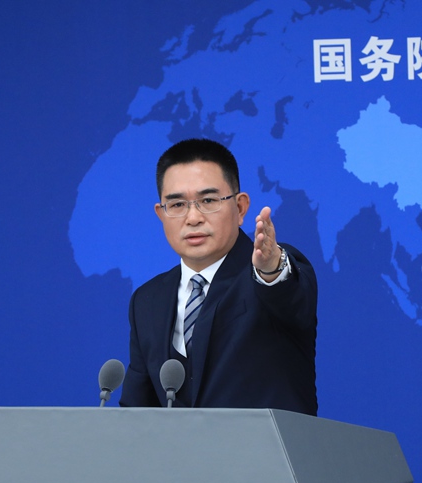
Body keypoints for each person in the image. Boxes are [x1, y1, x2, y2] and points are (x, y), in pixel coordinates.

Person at [118, 138, 318, 415]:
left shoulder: (268, 273)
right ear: (161, 213)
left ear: (240, 208)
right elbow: (135, 413)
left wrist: (271, 269)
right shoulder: (147, 300)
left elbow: (287, 295)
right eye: (177, 205)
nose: (193, 218)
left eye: (208, 200)